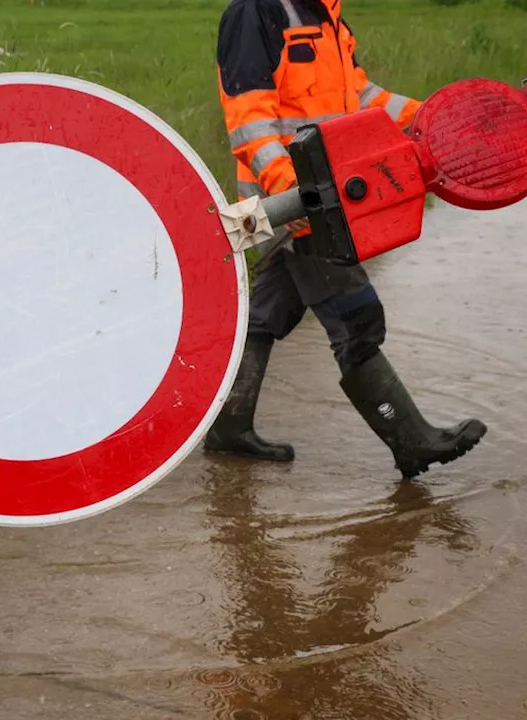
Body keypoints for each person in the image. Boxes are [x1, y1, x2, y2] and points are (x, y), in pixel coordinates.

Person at [206, 0, 487, 479]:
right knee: (356, 318)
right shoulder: (256, 13)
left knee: (268, 313)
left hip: (331, 195)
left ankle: (229, 425)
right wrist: (289, 191)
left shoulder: (326, 14)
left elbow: (361, 96)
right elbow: (248, 120)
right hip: (304, 205)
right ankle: (412, 442)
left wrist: (427, 120)